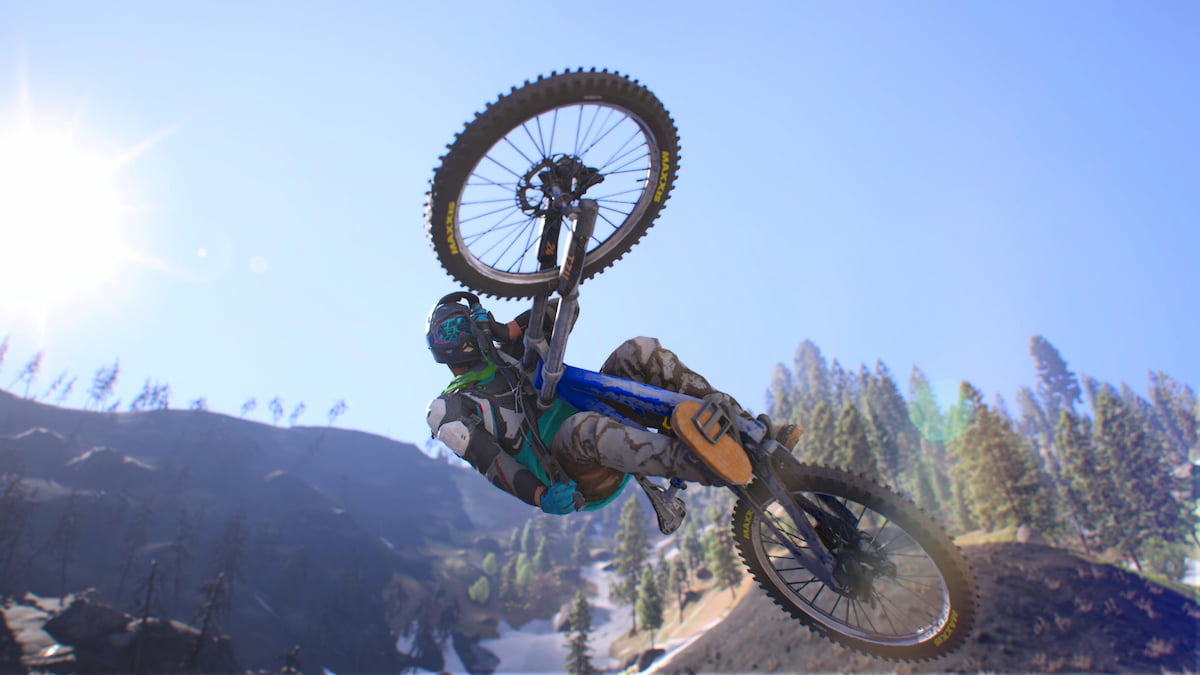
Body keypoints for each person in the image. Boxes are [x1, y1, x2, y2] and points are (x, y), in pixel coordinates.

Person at [424, 294, 800, 515]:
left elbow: (564, 309)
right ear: (439, 346)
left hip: (596, 415)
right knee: (582, 430)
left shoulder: (510, 349)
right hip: (570, 473)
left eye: (466, 322)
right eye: (450, 329)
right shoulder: (451, 406)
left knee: (639, 351)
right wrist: (540, 497)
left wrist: (507, 330)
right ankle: (718, 466)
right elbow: (491, 461)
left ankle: (749, 433)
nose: (464, 331)